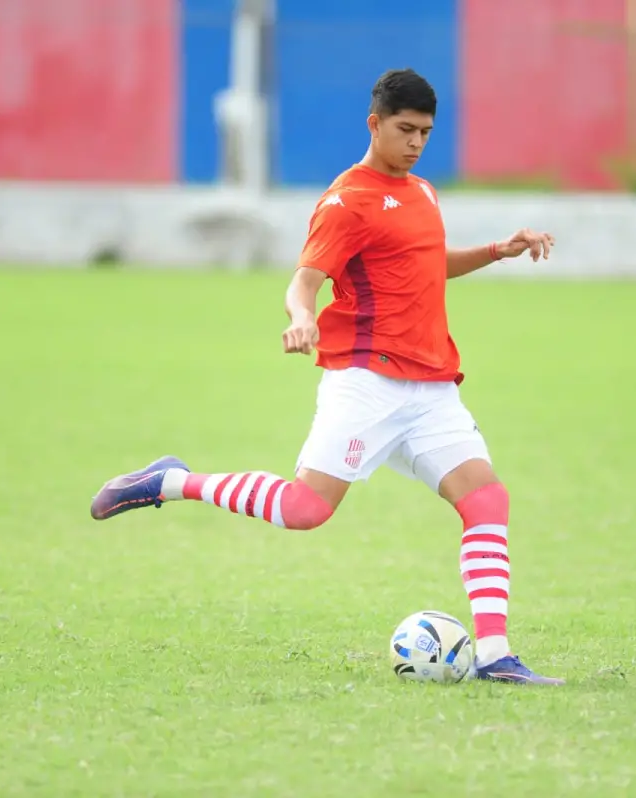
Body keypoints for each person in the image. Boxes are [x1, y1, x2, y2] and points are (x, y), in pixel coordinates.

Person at [89, 68, 563, 685]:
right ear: (374, 124)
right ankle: (171, 481)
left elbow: (425, 262)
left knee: (486, 499)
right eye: (405, 129)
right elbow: (305, 279)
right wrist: (302, 318)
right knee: (304, 509)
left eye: (425, 132)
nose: (416, 143)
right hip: (366, 381)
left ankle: (496, 656)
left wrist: (496, 250)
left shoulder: (423, 192)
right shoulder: (346, 201)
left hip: (431, 386)